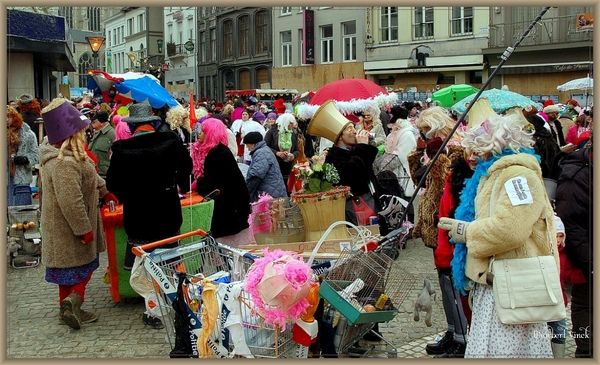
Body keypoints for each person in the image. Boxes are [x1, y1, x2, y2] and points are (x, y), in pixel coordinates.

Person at [438, 98, 556, 358]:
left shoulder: (516, 175)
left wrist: (466, 232)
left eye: (478, 151)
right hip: (495, 285)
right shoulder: (496, 173)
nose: (473, 157)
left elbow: (511, 229)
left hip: (511, 289)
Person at [39, 97, 114, 330]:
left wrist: (105, 191)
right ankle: (73, 302)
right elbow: (71, 201)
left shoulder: (72, 157)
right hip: (69, 229)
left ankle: (68, 308)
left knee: (68, 272)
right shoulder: (63, 163)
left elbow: (90, 176)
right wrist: (84, 229)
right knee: (81, 269)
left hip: (69, 227)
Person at [106, 103, 193, 277]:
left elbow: (112, 183)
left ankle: (150, 296)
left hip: (138, 215)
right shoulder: (171, 143)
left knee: (144, 268)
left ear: (131, 126)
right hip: (167, 212)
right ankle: (170, 294)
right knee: (171, 265)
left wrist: (126, 195)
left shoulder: (122, 150)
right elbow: (187, 170)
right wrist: (182, 185)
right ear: (154, 124)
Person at [554, 133, 592, 358]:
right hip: (588, 262)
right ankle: (586, 351)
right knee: (586, 305)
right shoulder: (577, 175)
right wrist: (591, 263)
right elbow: (573, 226)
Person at [407, 106, 463, 249]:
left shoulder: (457, 149)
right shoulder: (431, 149)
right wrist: (419, 152)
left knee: (447, 263)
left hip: (445, 215)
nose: (425, 138)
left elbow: (444, 183)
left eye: (427, 133)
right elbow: (419, 181)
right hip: (432, 219)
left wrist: (437, 157)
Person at [191, 118, 252, 247]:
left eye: (203, 132)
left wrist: (199, 182)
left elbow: (211, 186)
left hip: (227, 211)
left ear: (210, 134)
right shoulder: (221, 150)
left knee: (227, 250)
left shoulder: (216, 154)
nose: (199, 134)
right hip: (233, 208)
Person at [323, 119, 379, 225]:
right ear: (339, 136)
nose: (354, 131)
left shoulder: (352, 150)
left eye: (354, 127)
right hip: (352, 208)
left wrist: (365, 146)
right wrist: (362, 147)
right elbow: (353, 175)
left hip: (368, 199)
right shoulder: (334, 155)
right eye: (349, 129)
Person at [7, 105, 39, 206]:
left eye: (9, 117)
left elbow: (36, 154)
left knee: (22, 212)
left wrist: (25, 159)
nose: (6, 120)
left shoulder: (28, 134)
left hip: (21, 176)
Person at [243, 131, 288, 202]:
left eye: (248, 146)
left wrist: (246, 192)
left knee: (271, 212)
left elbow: (256, 175)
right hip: (272, 190)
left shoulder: (261, 153)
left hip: (269, 194)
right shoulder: (264, 150)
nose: (248, 149)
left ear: (254, 144)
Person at [264, 113, 300, 189]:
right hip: (275, 164)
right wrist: (277, 153)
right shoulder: (272, 131)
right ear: (285, 122)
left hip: (288, 166)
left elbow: (297, 150)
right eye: (290, 123)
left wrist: (293, 155)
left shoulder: (293, 133)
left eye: (292, 123)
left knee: (286, 187)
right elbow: (265, 146)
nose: (292, 125)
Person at [526, 114, 560, 179]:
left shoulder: (536, 140)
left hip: (543, 175)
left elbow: (541, 161)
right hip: (554, 174)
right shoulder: (549, 137)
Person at [88, 111, 115, 179]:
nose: (92, 123)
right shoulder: (98, 133)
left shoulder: (112, 134)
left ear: (102, 122)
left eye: (94, 121)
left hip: (105, 174)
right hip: (95, 172)